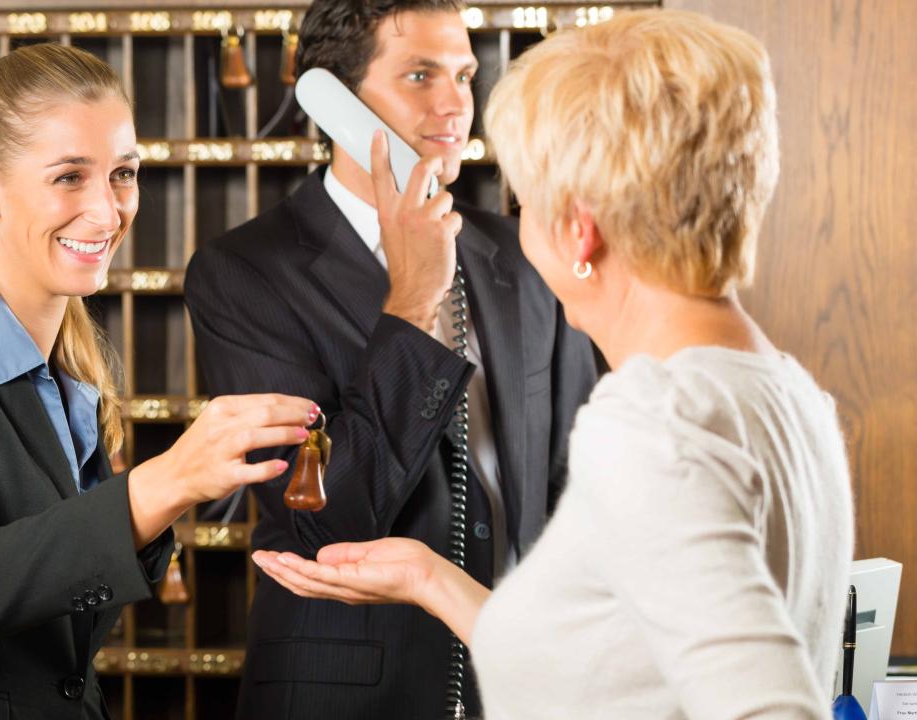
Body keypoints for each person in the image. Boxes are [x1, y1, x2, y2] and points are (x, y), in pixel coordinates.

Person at [255, 9, 855, 719]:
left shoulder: (653, 425)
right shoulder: (788, 391)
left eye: (526, 195)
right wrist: (429, 578)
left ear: (579, 229)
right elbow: (619, 667)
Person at [0, 44, 315, 720]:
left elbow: (55, 621)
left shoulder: (70, 376)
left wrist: (170, 495)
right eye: (71, 177)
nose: (108, 213)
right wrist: (170, 481)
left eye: (123, 175)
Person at [183, 1, 598, 717]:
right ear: (331, 100)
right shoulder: (244, 274)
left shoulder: (525, 258)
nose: (454, 105)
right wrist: (412, 298)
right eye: (419, 75)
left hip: (518, 683)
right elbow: (322, 518)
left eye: (464, 77)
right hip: (347, 696)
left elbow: (578, 487)